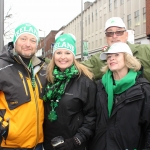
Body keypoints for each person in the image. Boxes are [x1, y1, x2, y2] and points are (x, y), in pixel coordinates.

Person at [87, 42, 150, 150]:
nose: (111, 58)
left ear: (128, 59)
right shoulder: (99, 87)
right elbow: (91, 119)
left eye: (117, 55)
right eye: (109, 56)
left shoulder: (143, 89)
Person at [43, 31, 96, 150]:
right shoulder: (47, 78)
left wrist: (76, 140)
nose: (63, 57)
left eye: (67, 53)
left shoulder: (85, 81)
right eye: (59, 52)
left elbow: (92, 116)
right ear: (53, 55)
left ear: (73, 55)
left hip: (73, 144)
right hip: (48, 143)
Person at [0, 23, 47, 150]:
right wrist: (3, 128)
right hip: (10, 145)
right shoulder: (2, 67)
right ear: (15, 41)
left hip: (38, 144)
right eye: (23, 38)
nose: (28, 44)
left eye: (33, 40)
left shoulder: (42, 69)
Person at [81, 17, 150, 82]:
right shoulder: (97, 59)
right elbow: (76, 69)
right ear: (106, 38)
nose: (114, 36)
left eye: (119, 32)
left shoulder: (146, 51)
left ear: (126, 35)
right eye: (110, 33)